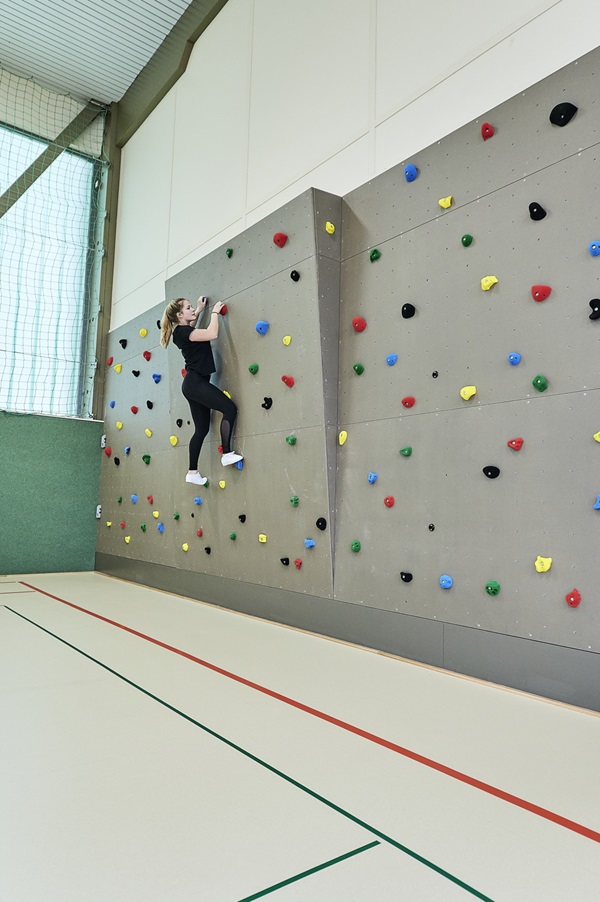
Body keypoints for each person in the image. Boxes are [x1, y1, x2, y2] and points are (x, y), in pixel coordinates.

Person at [160, 296, 243, 485]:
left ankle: (192, 473)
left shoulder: (182, 331)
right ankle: (227, 453)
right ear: (180, 315)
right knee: (229, 408)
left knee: (202, 429)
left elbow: (193, 323)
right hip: (195, 383)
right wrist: (214, 313)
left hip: (193, 384)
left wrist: (199, 308)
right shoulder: (182, 332)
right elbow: (212, 333)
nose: (191, 310)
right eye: (188, 308)